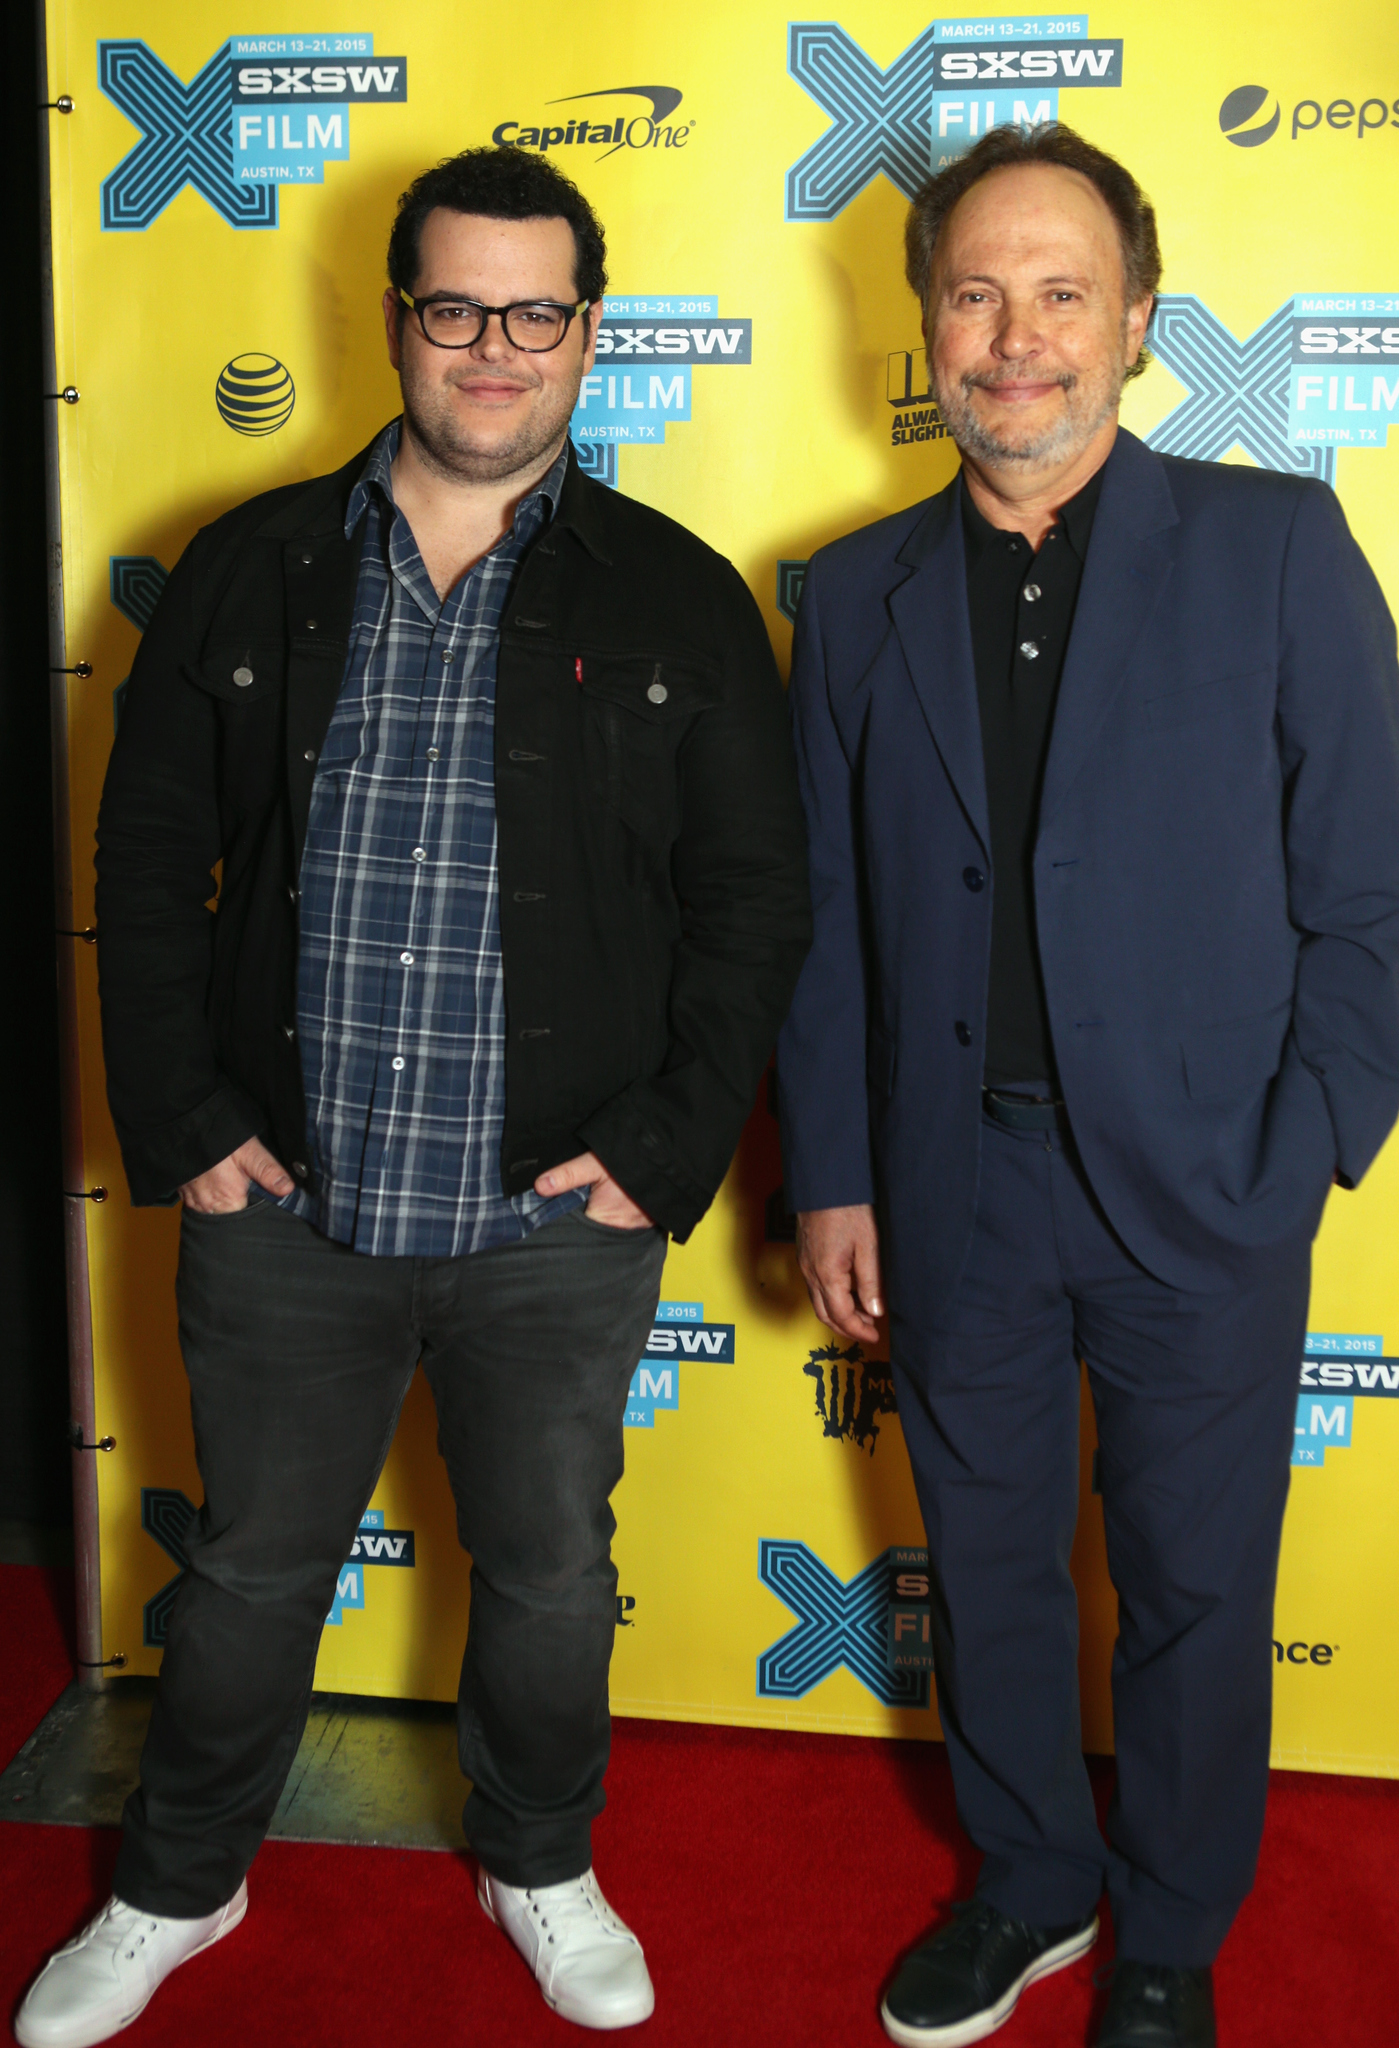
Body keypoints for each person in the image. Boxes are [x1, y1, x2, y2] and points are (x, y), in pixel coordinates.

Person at [18, 147, 809, 2047]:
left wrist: (659, 1152)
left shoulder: (681, 599)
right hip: (282, 1207)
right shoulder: (254, 562)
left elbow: (755, 905)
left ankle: (540, 1860)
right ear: (399, 319)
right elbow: (141, 854)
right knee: (249, 1579)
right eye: (457, 308)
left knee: (548, 1580)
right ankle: (178, 1885)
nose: (495, 350)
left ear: (589, 338)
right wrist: (186, 1120)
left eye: (537, 314)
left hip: (557, 1221)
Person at [778, 123, 1399, 2048]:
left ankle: (1165, 1930)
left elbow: (1371, 885)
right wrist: (833, 1173)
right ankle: (1035, 1881)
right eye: (978, 291)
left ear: (1138, 321)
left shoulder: (1278, 545)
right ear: (928, 327)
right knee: (989, 1567)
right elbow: (821, 922)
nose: (1017, 335)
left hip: (1208, 1184)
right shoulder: (854, 592)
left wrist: (1306, 1151)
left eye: (1062, 293)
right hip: (952, 1188)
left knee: (1201, 1589)